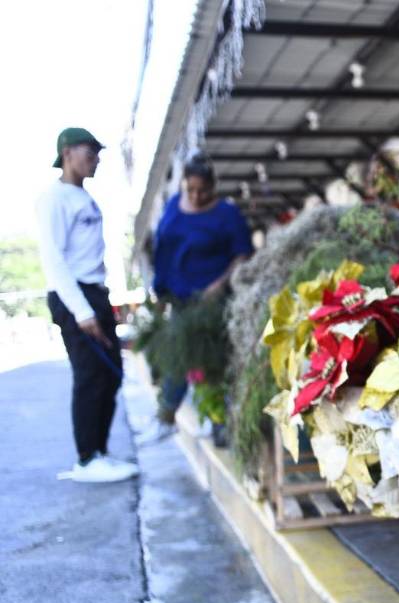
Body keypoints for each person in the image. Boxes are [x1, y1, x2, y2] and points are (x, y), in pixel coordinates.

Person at [36, 127, 137, 483]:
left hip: (96, 291)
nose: (96, 159)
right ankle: (86, 458)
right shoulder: (54, 198)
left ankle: (100, 451)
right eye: (89, 152)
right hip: (73, 295)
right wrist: (81, 311)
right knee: (90, 376)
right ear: (67, 153)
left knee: (112, 374)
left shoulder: (86, 199)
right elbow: (54, 260)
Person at [137, 154, 253, 444]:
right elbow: (163, 249)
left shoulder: (227, 213)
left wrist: (220, 283)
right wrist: (160, 290)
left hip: (216, 302)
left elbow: (242, 254)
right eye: (191, 190)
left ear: (213, 187)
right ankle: (166, 417)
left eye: (203, 190)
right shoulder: (173, 207)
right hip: (180, 300)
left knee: (220, 362)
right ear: (184, 185)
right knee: (179, 357)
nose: (197, 196)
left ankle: (223, 423)